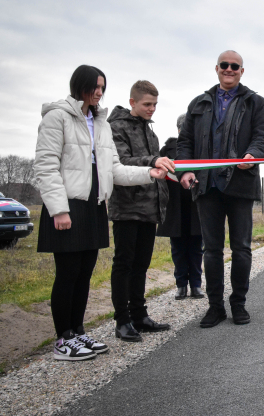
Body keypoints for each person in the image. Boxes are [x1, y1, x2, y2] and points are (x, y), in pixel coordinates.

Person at [34, 65, 167, 361]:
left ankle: (78, 331)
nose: (98, 92)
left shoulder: (100, 123)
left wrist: (150, 173)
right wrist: (58, 209)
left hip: (94, 206)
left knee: (84, 273)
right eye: (94, 86)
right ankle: (63, 339)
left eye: (102, 87)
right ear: (78, 85)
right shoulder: (57, 117)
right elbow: (46, 166)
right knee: (67, 274)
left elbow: (115, 170)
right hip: (67, 206)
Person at [177, 50, 264, 328]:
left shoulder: (256, 102)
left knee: (242, 248)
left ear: (242, 71)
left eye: (235, 66)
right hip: (207, 186)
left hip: (240, 184)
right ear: (216, 68)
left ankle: (238, 304)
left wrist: (253, 154)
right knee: (211, 250)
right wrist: (185, 170)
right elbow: (185, 142)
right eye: (224, 65)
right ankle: (215, 307)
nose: (229, 69)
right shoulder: (199, 103)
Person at [108, 80, 175, 342]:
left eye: (155, 105)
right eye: (147, 104)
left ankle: (139, 315)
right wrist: (152, 160)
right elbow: (121, 162)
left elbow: (156, 167)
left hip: (150, 207)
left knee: (141, 265)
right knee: (123, 264)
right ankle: (122, 321)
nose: (152, 109)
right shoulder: (115, 128)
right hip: (126, 206)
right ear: (132, 102)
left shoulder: (151, 132)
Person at [157, 113, 204, 300]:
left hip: (196, 207)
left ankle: (196, 285)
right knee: (177, 249)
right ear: (178, 130)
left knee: (196, 248)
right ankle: (181, 285)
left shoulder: (201, 150)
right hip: (175, 208)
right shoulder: (167, 150)